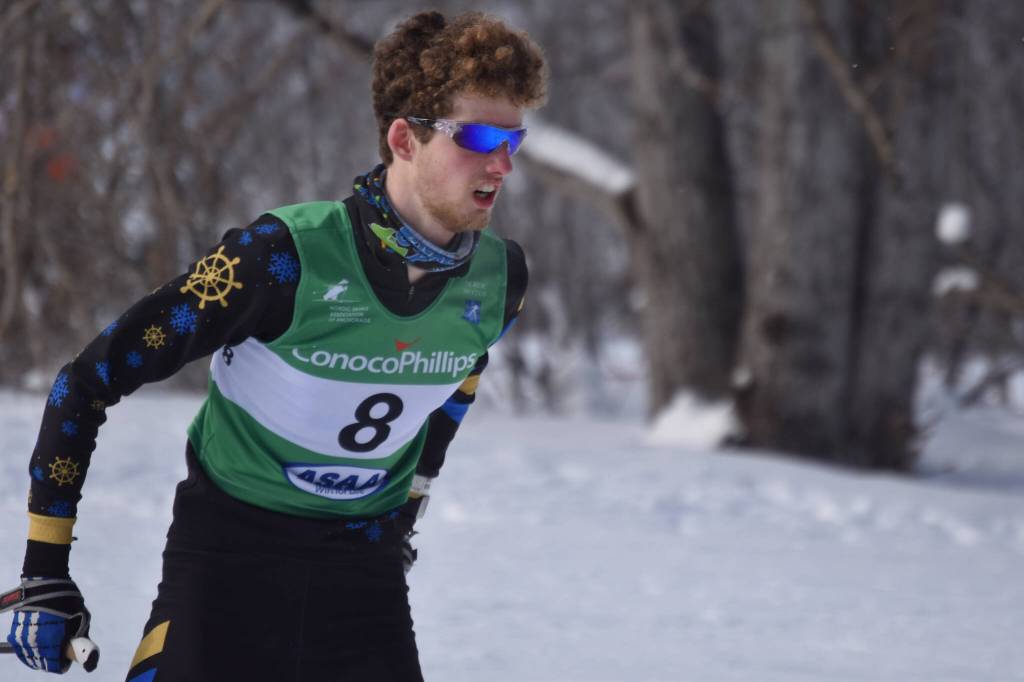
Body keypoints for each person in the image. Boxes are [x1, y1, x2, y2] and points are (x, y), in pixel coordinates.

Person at [6, 10, 546, 680]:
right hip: (228, 563)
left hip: (363, 578)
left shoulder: (500, 280)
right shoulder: (282, 257)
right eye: (481, 136)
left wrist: (410, 505)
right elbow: (84, 383)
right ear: (404, 138)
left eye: (514, 141)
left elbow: (458, 381)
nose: (502, 163)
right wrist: (44, 571)